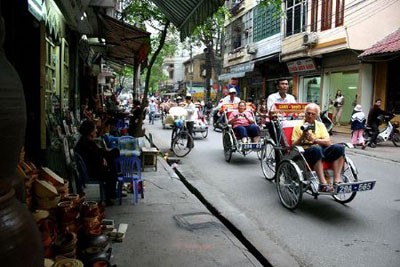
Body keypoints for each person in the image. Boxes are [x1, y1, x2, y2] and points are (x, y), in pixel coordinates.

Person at [291, 103, 345, 192]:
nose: (310, 116)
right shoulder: (298, 126)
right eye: (308, 113)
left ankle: (337, 180)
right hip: (306, 152)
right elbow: (293, 145)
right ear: (305, 114)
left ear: (316, 115)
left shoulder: (320, 125)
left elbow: (327, 142)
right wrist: (302, 137)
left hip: (320, 148)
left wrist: (315, 140)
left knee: (339, 148)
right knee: (316, 149)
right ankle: (323, 183)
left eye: (313, 114)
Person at [75, 120, 119, 205]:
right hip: (92, 171)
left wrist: (103, 158)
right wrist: (103, 159)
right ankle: (110, 196)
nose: (96, 131)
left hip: (93, 167)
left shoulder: (86, 142)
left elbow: (98, 153)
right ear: (90, 131)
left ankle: (111, 194)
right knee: (111, 166)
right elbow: (96, 157)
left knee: (111, 159)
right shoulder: (86, 144)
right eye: (94, 129)